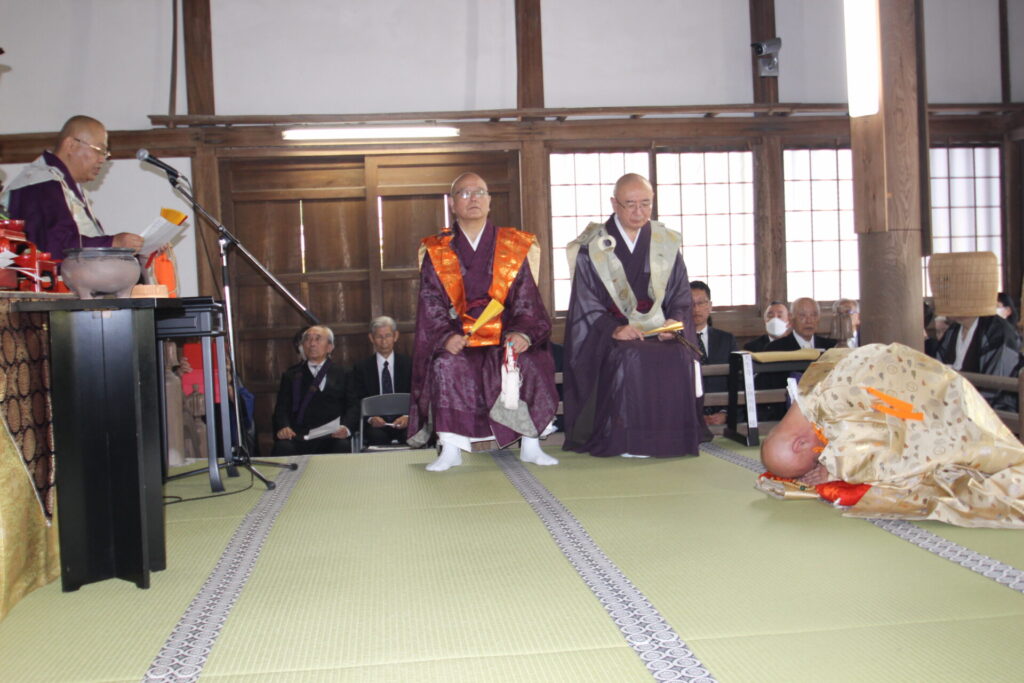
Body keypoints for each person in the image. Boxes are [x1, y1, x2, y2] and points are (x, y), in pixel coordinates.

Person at [757, 343, 1024, 528]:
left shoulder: (832, 406)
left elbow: (872, 458)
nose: (818, 461)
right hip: (934, 387)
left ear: (800, 443)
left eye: (812, 461)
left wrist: (831, 473)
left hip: (938, 413)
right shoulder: (812, 382)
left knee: (962, 477)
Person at [407, 172, 559, 471]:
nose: (473, 198)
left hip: (504, 336)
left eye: (480, 192)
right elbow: (431, 302)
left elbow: (527, 298)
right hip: (460, 337)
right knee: (446, 365)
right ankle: (451, 446)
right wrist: (445, 337)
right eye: (464, 193)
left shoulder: (513, 245)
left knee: (527, 361)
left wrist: (522, 333)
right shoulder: (438, 250)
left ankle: (530, 443)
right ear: (452, 204)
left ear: (490, 201)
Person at [562, 173, 705, 458]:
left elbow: (680, 293)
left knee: (678, 354)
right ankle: (627, 439)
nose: (639, 212)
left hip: (658, 328)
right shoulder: (595, 245)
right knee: (629, 355)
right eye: (630, 204)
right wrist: (614, 329)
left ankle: (669, 439)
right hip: (613, 332)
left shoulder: (664, 241)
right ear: (614, 204)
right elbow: (585, 300)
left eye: (646, 204)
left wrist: (673, 323)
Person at [0, 115, 143, 260]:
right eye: (99, 150)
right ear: (71, 145)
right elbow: (56, 248)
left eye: (105, 153)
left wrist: (131, 249)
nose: (102, 159)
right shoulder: (41, 184)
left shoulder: (62, 184)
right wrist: (113, 243)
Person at [271, 325, 358, 455]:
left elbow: (354, 406)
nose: (312, 343)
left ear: (330, 347)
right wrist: (284, 427)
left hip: (332, 435)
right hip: (300, 435)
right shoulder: (291, 375)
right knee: (283, 447)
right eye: (307, 339)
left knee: (342, 446)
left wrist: (346, 428)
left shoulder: (344, 373)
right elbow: (281, 408)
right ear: (302, 346)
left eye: (318, 339)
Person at [351, 315, 412, 447]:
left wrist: (407, 416)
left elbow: (417, 395)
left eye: (388, 335)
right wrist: (371, 418)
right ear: (371, 338)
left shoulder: (409, 364)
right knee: (376, 436)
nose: (384, 341)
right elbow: (357, 398)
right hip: (376, 424)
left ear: (395, 336)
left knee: (411, 435)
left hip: (404, 421)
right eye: (379, 336)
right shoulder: (361, 367)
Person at [690, 280, 737, 426]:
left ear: (710, 306)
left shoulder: (727, 340)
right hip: (689, 419)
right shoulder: (676, 342)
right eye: (690, 304)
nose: (696, 309)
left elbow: (737, 381)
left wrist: (726, 413)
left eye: (701, 303)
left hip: (722, 417)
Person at [765, 297, 837, 352]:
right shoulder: (775, 349)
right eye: (802, 315)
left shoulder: (831, 348)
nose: (809, 321)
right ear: (790, 317)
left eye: (814, 315)